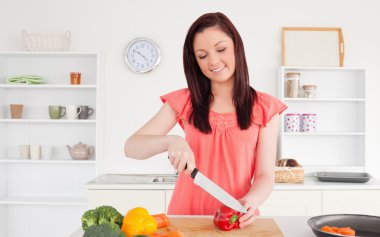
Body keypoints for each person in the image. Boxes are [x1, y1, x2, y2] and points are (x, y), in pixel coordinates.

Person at [124, 12, 287, 228]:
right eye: (202, 55)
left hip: (237, 218)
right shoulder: (184, 101)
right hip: (185, 218)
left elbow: (265, 175)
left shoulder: (265, 108)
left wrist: (250, 201)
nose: (213, 61)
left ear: (236, 46)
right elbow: (131, 148)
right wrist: (172, 141)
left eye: (221, 49)